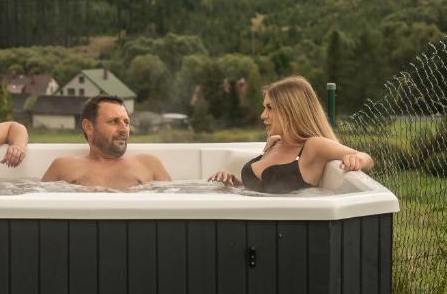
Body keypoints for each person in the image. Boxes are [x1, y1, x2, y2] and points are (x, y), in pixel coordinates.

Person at [208, 75, 374, 193]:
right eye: (264, 107)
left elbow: (367, 158)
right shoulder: (274, 142)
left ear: (291, 111)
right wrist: (233, 183)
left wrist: (357, 159)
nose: (263, 115)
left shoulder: (313, 146)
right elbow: (259, 191)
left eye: (270, 108)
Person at [41, 94, 170, 189]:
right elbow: (37, 205)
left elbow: (174, 204)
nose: (124, 129)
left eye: (126, 122)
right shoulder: (62, 167)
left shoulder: (149, 164)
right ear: (88, 127)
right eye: (114, 121)